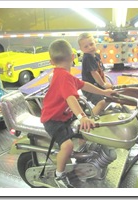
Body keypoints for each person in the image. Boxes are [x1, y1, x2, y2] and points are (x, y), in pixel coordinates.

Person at [40, 39, 115, 188]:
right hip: (53, 120)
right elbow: (70, 99)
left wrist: (104, 92)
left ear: (51, 61)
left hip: (64, 116)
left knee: (87, 132)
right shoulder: (62, 76)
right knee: (67, 146)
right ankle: (59, 175)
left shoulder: (64, 75)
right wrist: (83, 117)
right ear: (73, 57)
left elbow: (84, 85)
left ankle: (84, 155)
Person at [78, 33, 113, 116]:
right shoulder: (87, 57)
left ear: (95, 43)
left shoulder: (96, 55)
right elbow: (94, 73)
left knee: (112, 95)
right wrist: (103, 84)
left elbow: (101, 71)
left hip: (97, 85)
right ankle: (90, 120)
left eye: (91, 44)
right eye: (86, 47)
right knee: (101, 102)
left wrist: (105, 83)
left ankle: (100, 111)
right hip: (89, 87)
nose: (90, 48)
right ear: (81, 49)